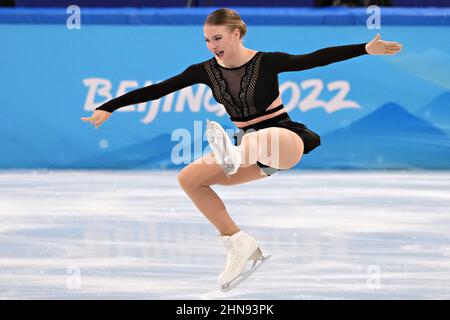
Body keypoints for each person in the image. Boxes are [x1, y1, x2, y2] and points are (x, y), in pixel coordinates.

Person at [81, 8, 402, 291]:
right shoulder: (204, 71)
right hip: (247, 148)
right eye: (207, 40)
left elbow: (314, 58)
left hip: (284, 140)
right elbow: (159, 89)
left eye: (217, 38)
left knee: (255, 140)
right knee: (190, 178)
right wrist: (109, 106)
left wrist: (364, 48)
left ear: (237, 34)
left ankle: (235, 154)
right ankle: (238, 241)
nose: (212, 46)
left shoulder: (267, 62)